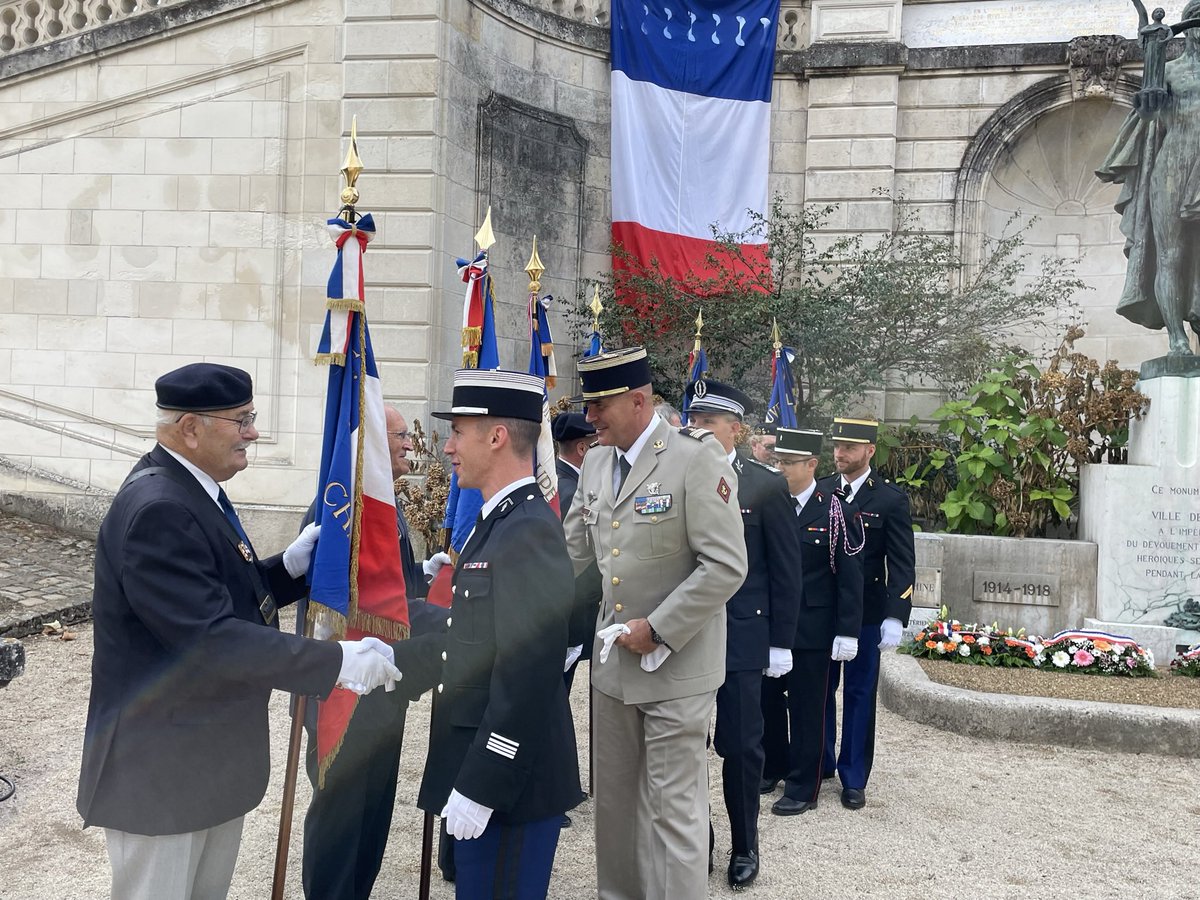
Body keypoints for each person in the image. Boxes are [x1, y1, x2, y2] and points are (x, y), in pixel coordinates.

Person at [77, 362, 401, 900]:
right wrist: (336, 664)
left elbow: (215, 592)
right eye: (242, 419)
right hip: (161, 777)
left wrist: (285, 571)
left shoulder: (189, 488)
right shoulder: (160, 508)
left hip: (199, 765)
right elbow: (211, 638)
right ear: (190, 428)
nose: (253, 431)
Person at [562, 347, 748, 900]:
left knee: (673, 812)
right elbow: (570, 554)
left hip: (676, 669)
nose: (590, 419)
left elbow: (726, 565)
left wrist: (660, 628)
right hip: (614, 670)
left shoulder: (696, 460)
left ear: (638, 400)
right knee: (616, 807)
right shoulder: (596, 462)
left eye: (600, 407)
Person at [417, 369, 582, 900]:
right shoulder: (498, 520)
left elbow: (528, 671)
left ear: (496, 436)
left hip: (512, 786)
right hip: (491, 771)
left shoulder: (528, 529)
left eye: (458, 433)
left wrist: (484, 781)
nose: (447, 448)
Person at [299, 404, 450, 900]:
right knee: (341, 820)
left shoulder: (387, 506)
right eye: (401, 436)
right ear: (372, 445)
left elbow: (393, 598)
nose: (411, 444)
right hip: (348, 690)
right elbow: (348, 609)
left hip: (382, 693)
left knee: (372, 816)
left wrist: (427, 581)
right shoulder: (344, 509)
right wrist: (451, 627)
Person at [685, 379, 802, 890]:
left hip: (741, 637)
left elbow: (785, 570)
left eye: (707, 421)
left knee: (741, 746)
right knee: (685, 743)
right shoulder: (674, 476)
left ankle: (744, 844)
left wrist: (781, 642)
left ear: (735, 428)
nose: (697, 429)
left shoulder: (763, 485)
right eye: (693, 419)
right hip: (686, 634)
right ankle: (697, 838)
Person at [760, 428, 863, 815]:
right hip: (771, 623)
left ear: (811, 465)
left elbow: (850, 575)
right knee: (766, 701)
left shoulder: (837, 509)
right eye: (778, 461)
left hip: (813, 628)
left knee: (807, 709)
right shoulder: (768, 502)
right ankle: (772, 767)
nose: (781, 468)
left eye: (788, 462)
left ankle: (804, 784)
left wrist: (847, 631)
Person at [1096, 0, 1200, 356]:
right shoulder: (1170, 71)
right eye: (1195, 21)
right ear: (1187, 29)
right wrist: (1151, 70)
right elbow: (1147, 113)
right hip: (1172, 167)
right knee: (1170, 254)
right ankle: (1177, 340)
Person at [820, 417, 914, 810]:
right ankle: (817, 761)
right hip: (824, 612)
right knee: (819, 691)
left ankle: (853, 775)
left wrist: (896, 614)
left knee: (859, 694)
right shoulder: (822, 491)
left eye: (849, 448)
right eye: (837, 447)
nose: (840, 454)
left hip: (868, 614)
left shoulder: (890, 500)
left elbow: (903, 563)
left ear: (869, 451)